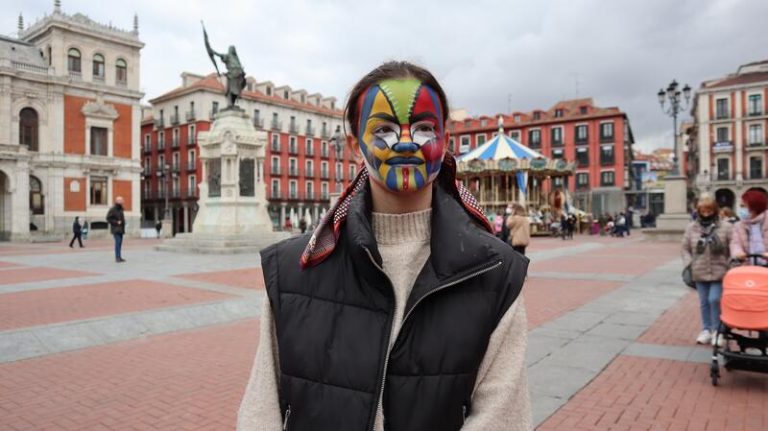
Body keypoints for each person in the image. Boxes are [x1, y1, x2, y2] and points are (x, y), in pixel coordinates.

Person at [237, 61, 531, 431]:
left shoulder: (496, 274)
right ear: (354, 146)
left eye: (424, 128)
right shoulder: (293, 269)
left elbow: (503, 419)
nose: (406, 142)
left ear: (446, 139)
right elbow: (260, 412)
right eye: (384, 130)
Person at [682, 194, 732, 345]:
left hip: (720, 270)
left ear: (715, 210)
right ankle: (706, 330)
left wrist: (730, 265)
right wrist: (689, 264)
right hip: (699, 270)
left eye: (709, 211)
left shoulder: (725, 227)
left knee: (714, 299)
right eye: (703, 211)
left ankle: (717, 331)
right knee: (704, 302)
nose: (706, 214)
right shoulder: (692, 227)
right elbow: (685, 248)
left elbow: (732, 246)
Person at [731, 189, 768, 265]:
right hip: (748, 266)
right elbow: (735, 243)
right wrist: (738, 253)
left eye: (743, 206)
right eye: (741, 206)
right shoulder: (738, 225)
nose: (741, 209)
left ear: (754, 206)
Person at [106, 197, 126, 263]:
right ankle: (117, 257)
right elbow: (108, 218)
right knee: (118, 242)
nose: (123, 201)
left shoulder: (120, 208)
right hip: (116, 229)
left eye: (122, 200)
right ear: (117, 201)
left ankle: (119, 257)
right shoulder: (113, 209)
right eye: (121, 200)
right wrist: (116, 222)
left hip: (121, 229)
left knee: (119, 243)